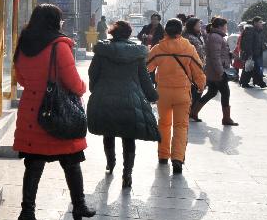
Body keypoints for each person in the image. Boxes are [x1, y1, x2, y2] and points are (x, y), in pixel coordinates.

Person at [13, 4, 94, 220]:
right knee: (71, 161)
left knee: (33, 164)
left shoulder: (24, 44)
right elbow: (73, 82)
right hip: (58, 112)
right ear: (54, 21)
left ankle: (26, 213)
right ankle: (79, 206)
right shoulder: (59, 46)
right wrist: (82, 87)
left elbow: (20, 78)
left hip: (32, 112)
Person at [86, 20, 160, 189]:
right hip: (131, 100)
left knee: (108, 132)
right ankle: (127, 174)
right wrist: (152, 95)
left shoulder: (102, 51)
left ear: (112, 33)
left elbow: (93, 73)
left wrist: (95, 89)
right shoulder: (137, 54)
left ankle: (110, 164)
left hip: (105, 97)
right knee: (129, 137)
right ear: (128, 34)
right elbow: (144, 78)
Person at [147, 19, 206, 175]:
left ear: (166, 31)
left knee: (164, 124)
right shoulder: (188, 48)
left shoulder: (158, 48)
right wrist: (201, 86)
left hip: (163, 94)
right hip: (182, 93)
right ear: (181, 31)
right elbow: (198, 70)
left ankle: (163, 155)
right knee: (181, 126)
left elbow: (146, 67)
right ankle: (177, 159)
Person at [191, 17, 238, 126]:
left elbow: (219, 53)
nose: (226, 28)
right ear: (221, 27)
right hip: (217, 72)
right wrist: (221, 72)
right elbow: (215, 56)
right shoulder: (216, 37)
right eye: (225, 26)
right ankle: (226, 118)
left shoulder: (216, 36)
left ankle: (193, 112)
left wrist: (229, 55)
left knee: (211, 92)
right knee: (225, 93)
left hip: (213, 71)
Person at [239, 16, 267, 88]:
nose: (262, 24)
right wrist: (250, 54)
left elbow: (259, 41)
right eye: (260, 22)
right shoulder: (250, 30)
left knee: (254, 69)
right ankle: (246, 83)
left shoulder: (258, 31)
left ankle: (256, 82)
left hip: (257, 53)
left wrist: (263, 46)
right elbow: (248, 44)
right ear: (255, 23)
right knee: (250, 68)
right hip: (252, 54)